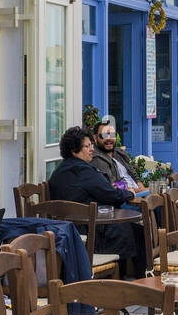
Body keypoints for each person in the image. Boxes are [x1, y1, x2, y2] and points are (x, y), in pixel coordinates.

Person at [48, 126, 145, 276]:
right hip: (91, 234)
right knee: (136, 230)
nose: (92, 149)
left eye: (91, 145)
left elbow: (96, 190)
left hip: (66, 232)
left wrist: (108, 188)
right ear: (74, 150)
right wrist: (129, 194)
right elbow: (111, 195)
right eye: (87, 146)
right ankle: (134, 279)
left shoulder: (59, 171)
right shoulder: (84, 170)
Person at [91, 117, 145, 193]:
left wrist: (144, 192)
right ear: (95, 138)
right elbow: (113, 187)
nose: (109, 138)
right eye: (104, 135)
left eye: (112, 134)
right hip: (124, 200)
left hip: (138, 195)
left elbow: (135, 177)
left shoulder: (119, 153)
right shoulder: (96, 158)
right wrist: (141, 191)